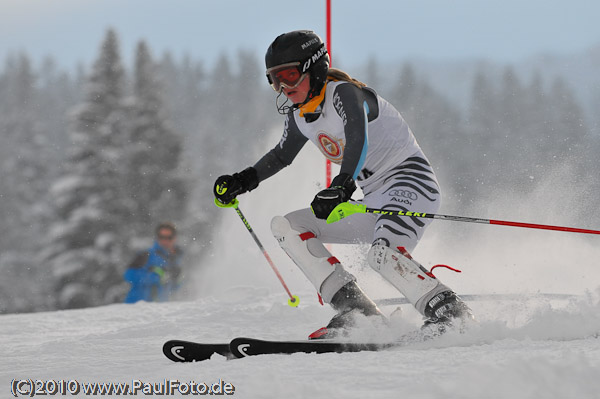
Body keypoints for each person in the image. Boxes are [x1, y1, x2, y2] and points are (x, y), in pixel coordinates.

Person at [213, 30, 472, 339]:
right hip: (374, 199)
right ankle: (358, 312)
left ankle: (452, 315)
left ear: (315, 67)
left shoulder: (345, 94)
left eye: (291, 76)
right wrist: (242, 181)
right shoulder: (300, 115)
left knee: (382, 254)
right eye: (274, 79)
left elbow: (357, 141)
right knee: (287, 226)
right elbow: (281, 155)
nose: (283, 87)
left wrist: (342, 185)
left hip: (411, 185)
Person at [123, 222, 184, 303]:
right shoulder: (146, 255)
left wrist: (177, 279)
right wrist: (154, 277)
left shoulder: (177, 259)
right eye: (161, 237)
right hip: (136, 306)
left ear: (174, 238)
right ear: (157, 237)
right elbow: (129, 275)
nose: (165, 240)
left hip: (160, 310)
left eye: (169, 237)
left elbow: (175, 287)